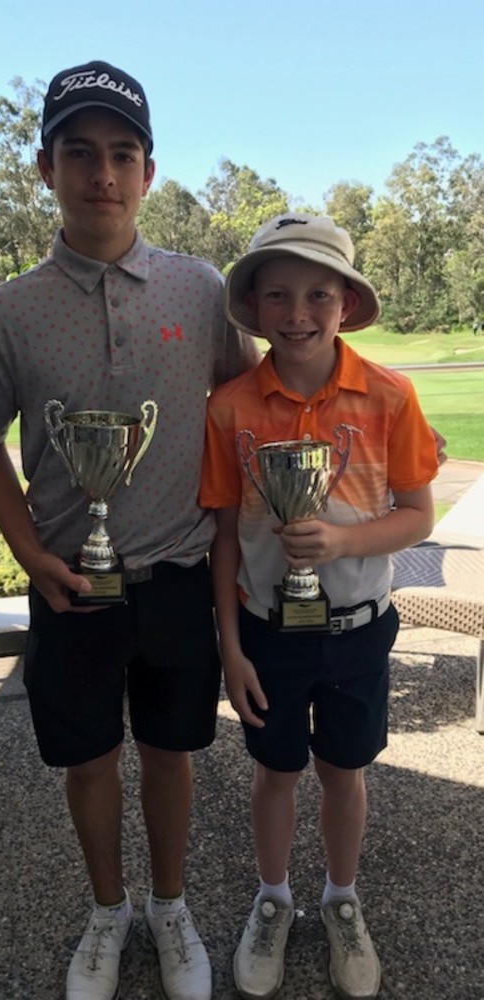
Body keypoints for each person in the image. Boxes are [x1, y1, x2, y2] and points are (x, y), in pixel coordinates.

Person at [0, 60, 260, 1000]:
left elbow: (243, 401)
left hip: (174, 572)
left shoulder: (199, 288)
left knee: (170, 754)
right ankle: (106, 910)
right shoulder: (4, 313)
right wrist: (29, 553)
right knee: (87, 761)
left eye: (122, 154)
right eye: (79, 153)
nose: (103, 174)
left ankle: (169, 909)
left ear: (149, 174)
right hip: (70, 581)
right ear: (45, 169)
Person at [199, 214, 439, 1000]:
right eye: (278, 295)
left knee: (345, 770)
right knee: (275, 774)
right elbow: (227, 536)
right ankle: (274, 900)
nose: (296, 312)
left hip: (359, 629)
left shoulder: (391, 396)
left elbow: (417, 515)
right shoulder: (230, 405)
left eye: (316, 294)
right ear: (257, 307)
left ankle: (341, 899)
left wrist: (342, 542)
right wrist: (229, 649)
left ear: (344, 304)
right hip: (269, 632)